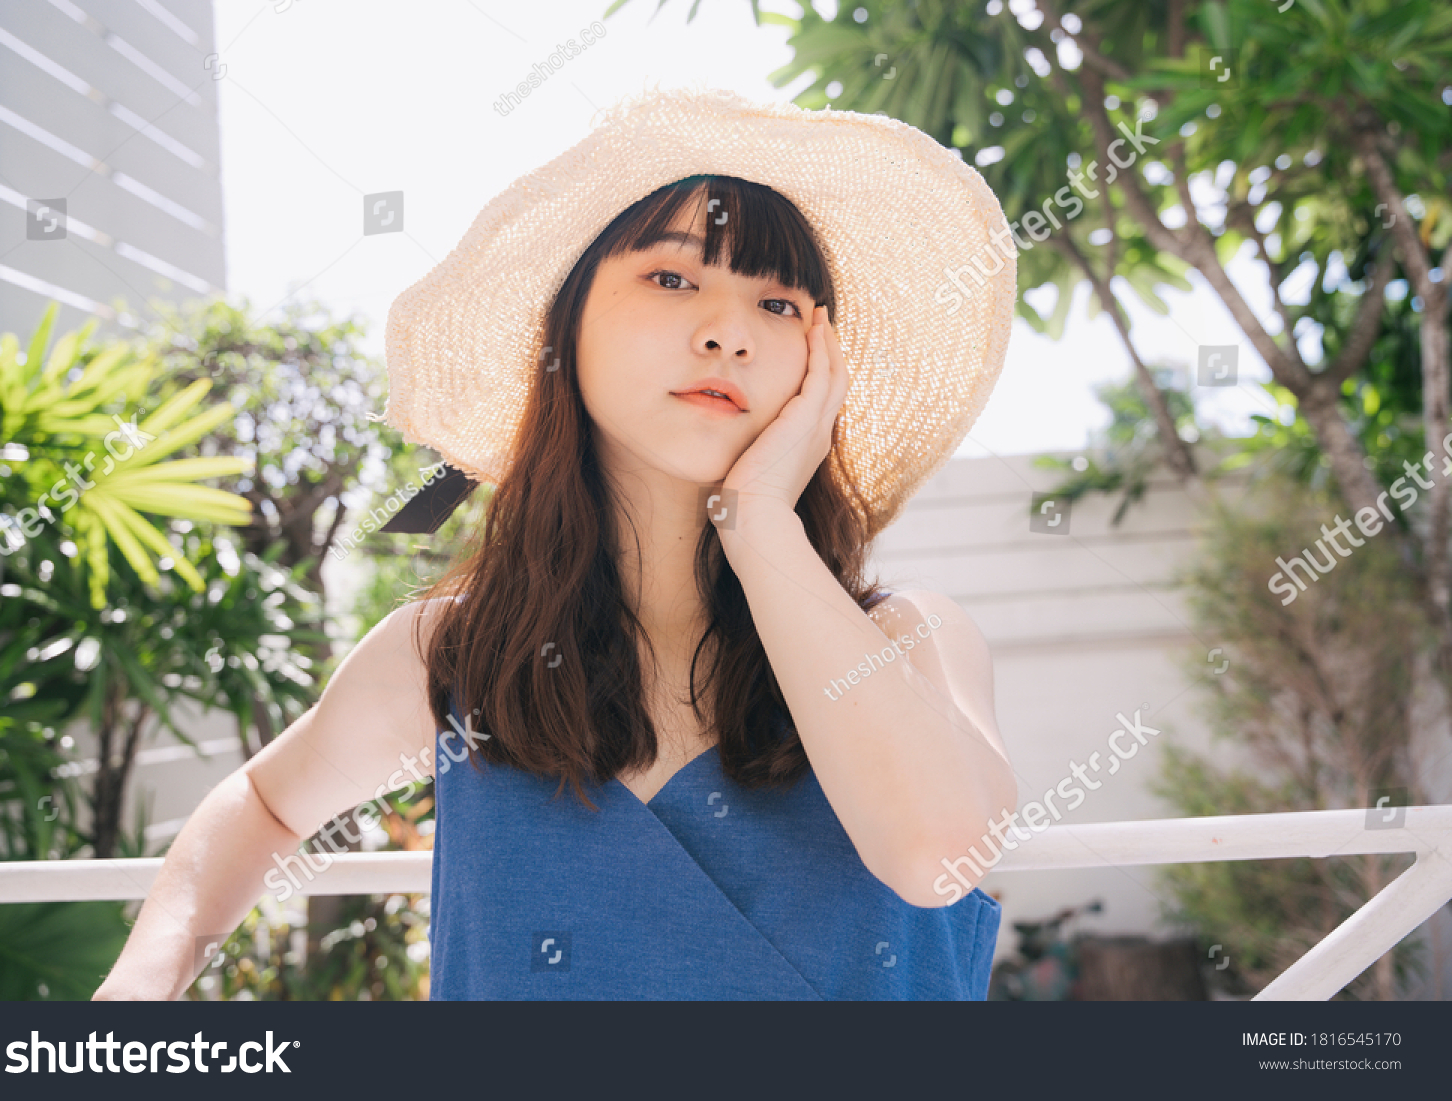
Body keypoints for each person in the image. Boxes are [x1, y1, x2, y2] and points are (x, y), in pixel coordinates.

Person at [94, 86, 1019, 1001]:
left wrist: (760, 521)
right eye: (672, 277)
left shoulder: (914, 641)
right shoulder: (457, 656)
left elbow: (935, 857)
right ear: (564, 329)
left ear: (824, 366)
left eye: (780, 305)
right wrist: (139, 986)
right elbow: (261, 804)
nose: (728, 331)